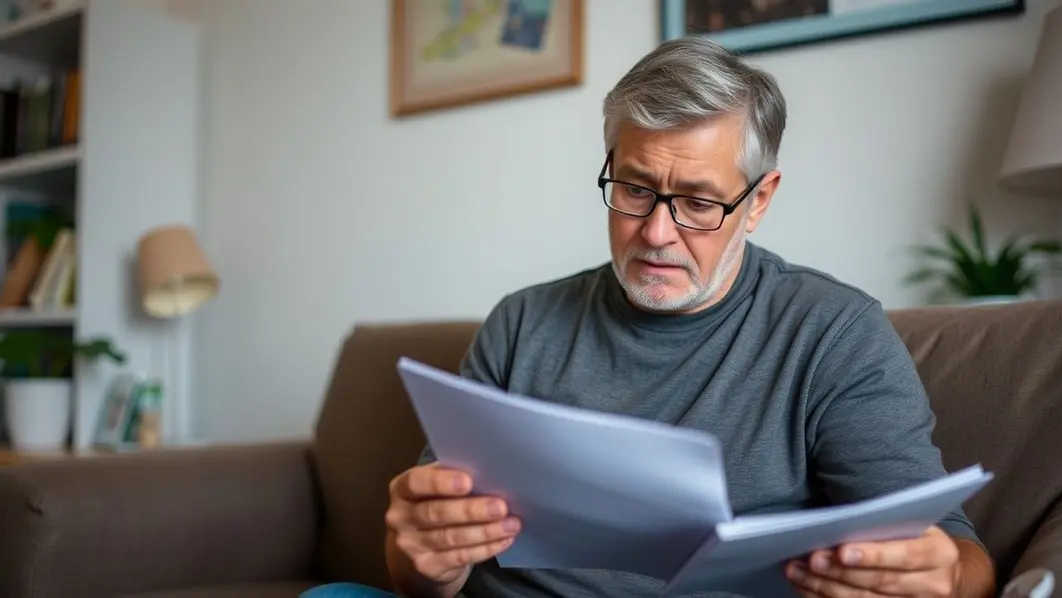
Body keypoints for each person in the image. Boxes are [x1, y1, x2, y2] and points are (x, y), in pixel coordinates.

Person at [371, 36, 998, 598]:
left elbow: (961, 559)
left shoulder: (834, 333)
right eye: (635, 189)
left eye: (698, 202)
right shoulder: (519, 323)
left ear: (759, 201)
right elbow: (418, 577)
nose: (656, 232)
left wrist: (942, 578)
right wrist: (425, 558)